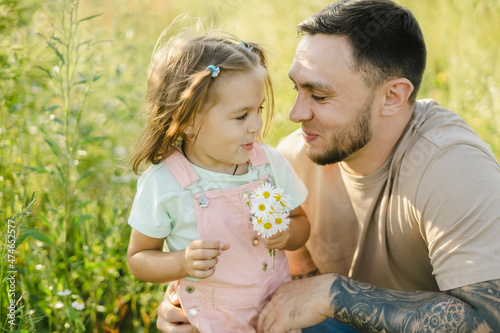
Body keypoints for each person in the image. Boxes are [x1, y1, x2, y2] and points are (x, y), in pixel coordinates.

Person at [157, 0, 500, 332]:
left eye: (319, 96)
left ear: (392, 97)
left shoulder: (453, 168)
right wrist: (196, 309)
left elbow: (492, 319)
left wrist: (334, 294)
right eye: (296, 89)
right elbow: (276, 286)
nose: (295, 113)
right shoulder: (291, 159)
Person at [127, 28, 310, 333]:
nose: (256, 126)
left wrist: (287, 235)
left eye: (259, 110)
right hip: (208, 322)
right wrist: (181, 262)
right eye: (241, 116)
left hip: (274, 313)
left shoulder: (270, 164)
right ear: (188, 121)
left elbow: (301, 224)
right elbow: (139, 258)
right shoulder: (165, 183)